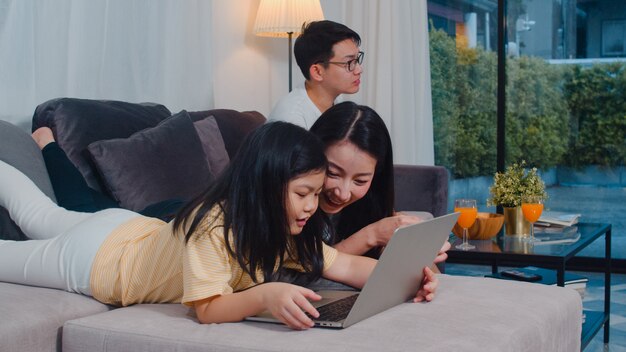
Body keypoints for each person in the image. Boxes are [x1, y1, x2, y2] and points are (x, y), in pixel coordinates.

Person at [0, 121, 439, 331]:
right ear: (266, 185)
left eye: (314, 192)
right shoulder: (215, 225)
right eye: (302, 193)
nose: (312, 206)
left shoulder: (285, 226)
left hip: (124, 227)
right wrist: (265, 294)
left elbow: (344, 265)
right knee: (22, 232)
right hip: (94, 262)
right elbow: (207, 309)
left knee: (39, 212)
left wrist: (409, 274)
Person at [310, 101, 450, 259]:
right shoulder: (292, 204)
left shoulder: (370, 204)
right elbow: (305, 268)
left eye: (360, 181)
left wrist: (418, 257)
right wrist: (372, 235)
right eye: (333, 173)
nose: (342, 194)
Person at [31, 127, 184, 221]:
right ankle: (48, 145)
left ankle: (64, 170)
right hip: (174, 219)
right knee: (86, 222)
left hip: (176, 216)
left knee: (107, 217)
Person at [268, 20, 363, 128]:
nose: (359, 70)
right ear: (317, 72)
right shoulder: (291, 120)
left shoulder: (335, 100)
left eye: (357, 60)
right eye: (349, 62)